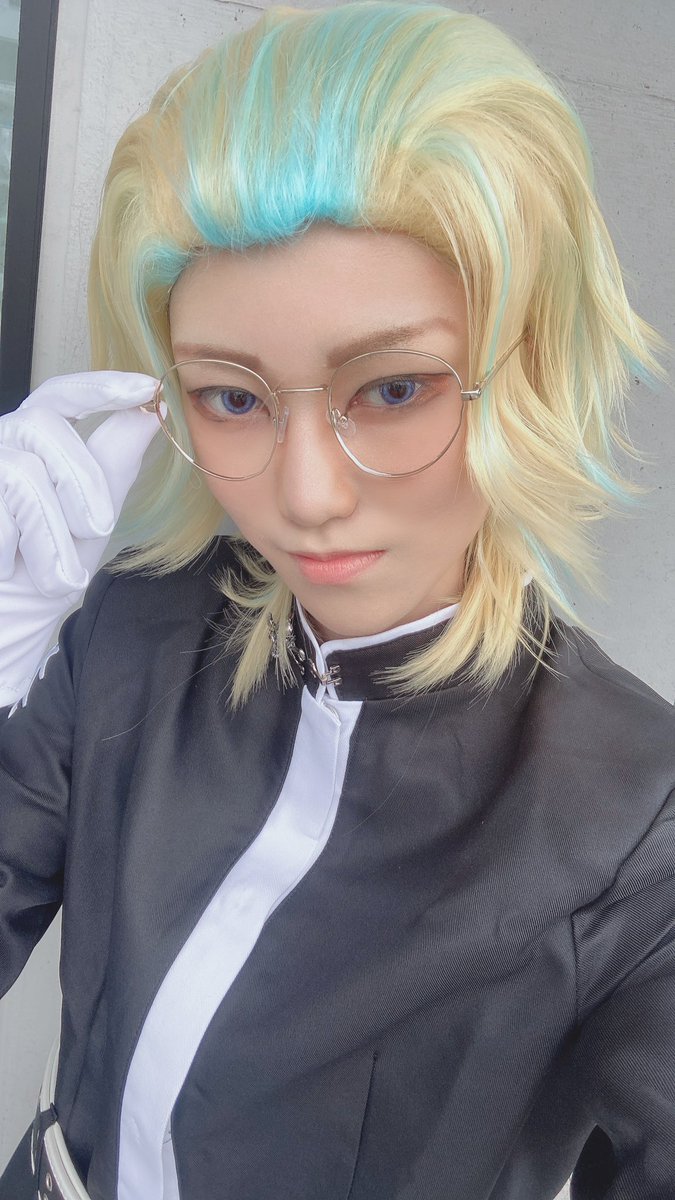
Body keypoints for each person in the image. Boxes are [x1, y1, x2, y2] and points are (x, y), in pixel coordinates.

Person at [0, 2, 673, 1198]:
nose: (307, 496)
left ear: (525, 364)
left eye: (394, 388)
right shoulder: (134, 630)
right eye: (234, 398)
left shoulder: (633, 816)